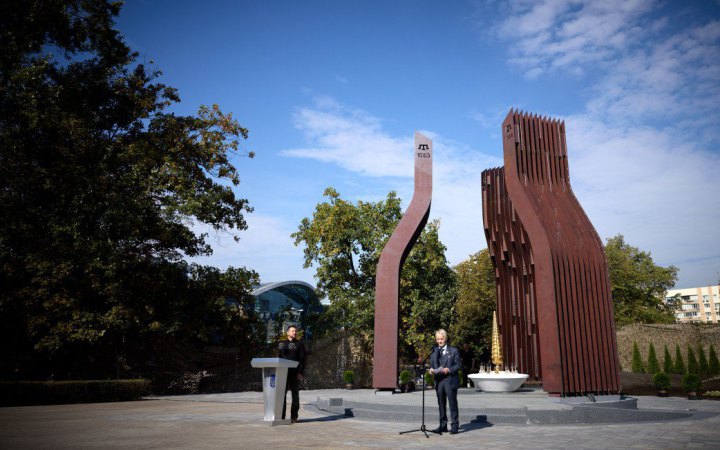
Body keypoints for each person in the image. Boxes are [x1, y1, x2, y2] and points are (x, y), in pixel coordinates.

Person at [429, 329, 460, 434]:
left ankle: (455, 426)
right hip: (439, 381)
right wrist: (431, 370)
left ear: (445, 338)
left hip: (450, 380)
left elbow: (458, 365)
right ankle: (443, 426)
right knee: (441, 404)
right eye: (438, 339)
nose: (439, 341)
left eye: (441, 339)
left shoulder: (454, 351)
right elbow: (432, 365)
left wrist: (449, 369)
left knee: (452, 404)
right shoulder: (434, 352)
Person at [277, 324, 306, 423]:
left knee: (295, 395)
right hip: (283, 372)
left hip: (295, 373)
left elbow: (302, 359)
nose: (295, 332)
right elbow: (279, 358)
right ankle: (282, 416)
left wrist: (300, 372)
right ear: (287, 332)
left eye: (295, 331)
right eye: (292, 331)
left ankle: (294, 416)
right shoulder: (282, 344)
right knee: (282, 395)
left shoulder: (300, 344)